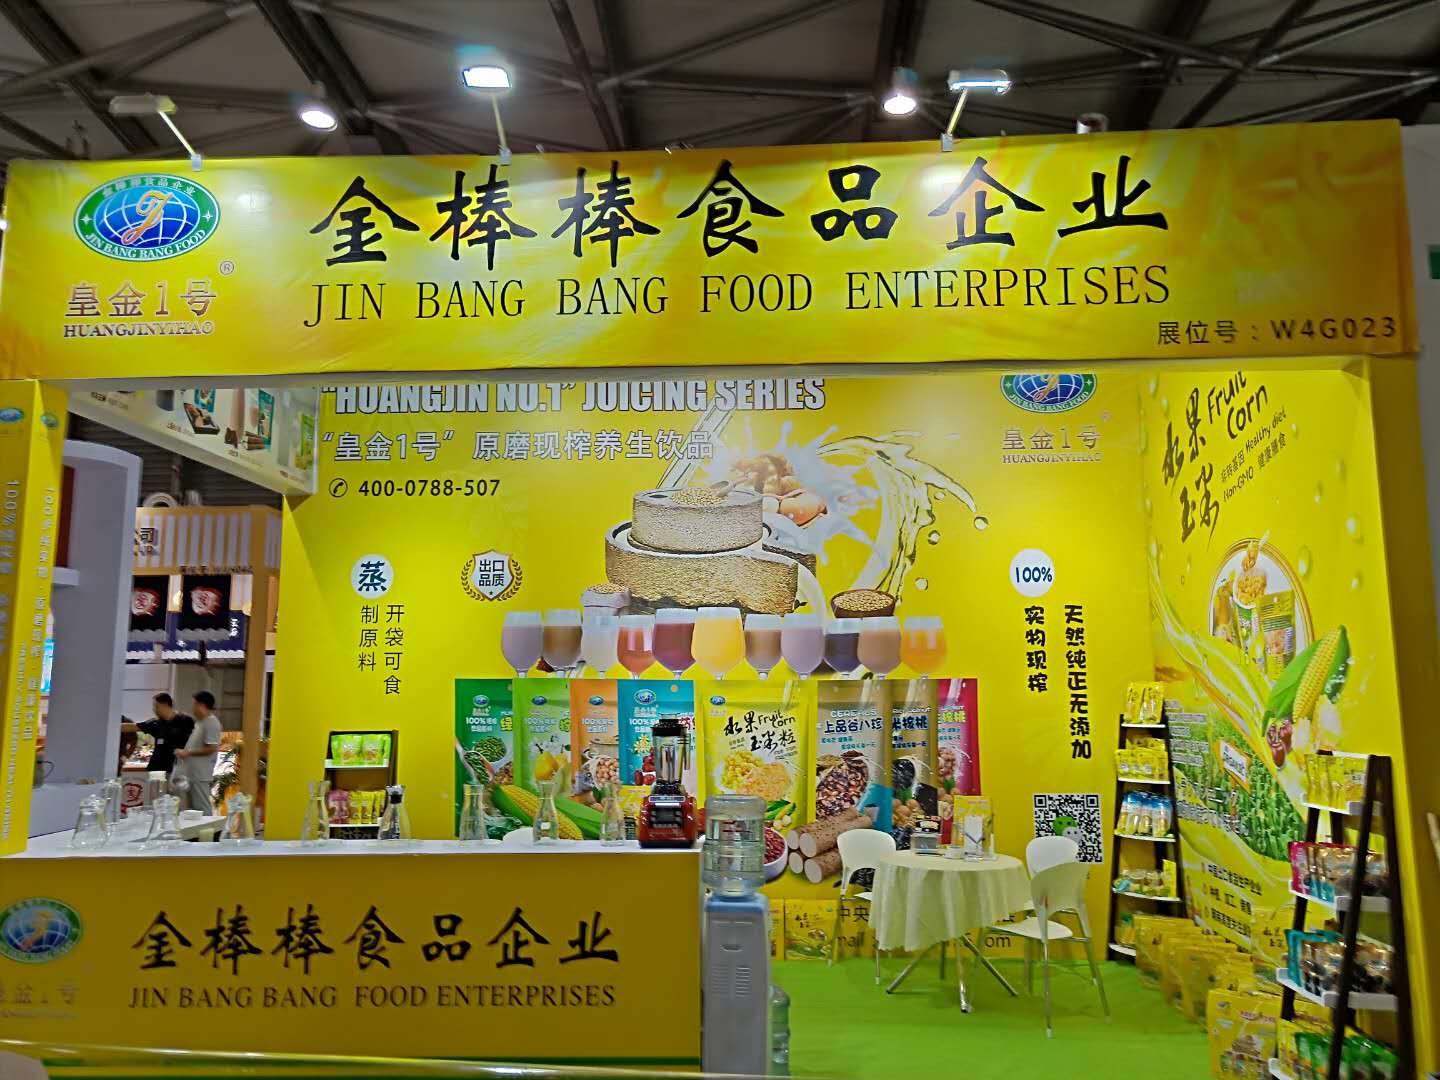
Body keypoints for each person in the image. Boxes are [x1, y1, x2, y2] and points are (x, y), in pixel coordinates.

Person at [120, 694, 193, 778]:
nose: (154, 709)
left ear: (165, 705)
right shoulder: (155, 723)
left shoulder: (185, 721)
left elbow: (196, 741)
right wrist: (111, 725)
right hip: (156, 769)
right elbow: (133, 727)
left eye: (156, 706)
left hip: (176, 769)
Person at [174, 691, 223, 814]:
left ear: (201, 705)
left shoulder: (212, 723)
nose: (193, 708)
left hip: (200, 775)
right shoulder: (200, 722)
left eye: (194, 704)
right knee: (192, 810)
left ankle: (209, 826)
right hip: (192, 774)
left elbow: (211, 748)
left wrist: (188, 753)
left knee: (202, 808)